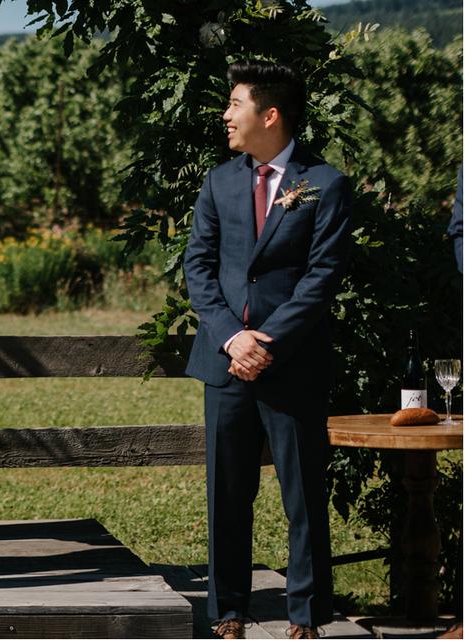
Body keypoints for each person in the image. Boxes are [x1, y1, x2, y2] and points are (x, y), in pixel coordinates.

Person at [183, 61, 351, 641]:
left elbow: (321, 278)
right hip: (226, 362)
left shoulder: (324, 183)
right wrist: (233, 337)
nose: (226, 115)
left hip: (292, 363)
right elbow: (198, 267)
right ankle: (227, 609)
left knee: (303, 493)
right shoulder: (219, 181)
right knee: (227, 494)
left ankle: (306, 614)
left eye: (235, 104)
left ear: (270, 114)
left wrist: (268, 342)